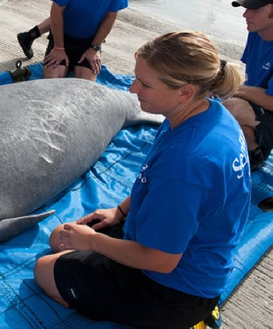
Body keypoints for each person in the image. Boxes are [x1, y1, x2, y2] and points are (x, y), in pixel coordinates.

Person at [34, 31, 251, 327]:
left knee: (44, 271)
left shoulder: (186, 163)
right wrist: (120, 211)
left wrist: (95, 242)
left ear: (185, 91)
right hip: (182, 248)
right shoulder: (206, 112)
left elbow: (161, 260)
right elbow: (153, 182)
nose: (133, 88)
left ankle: (177, 320)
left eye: (145, 84)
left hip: (172, 287)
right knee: (60, 235)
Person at [223, 0, 273, 172]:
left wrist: (234, 89)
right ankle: (253, 144)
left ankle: (255, 155)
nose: (246, 14)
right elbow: (251, 78)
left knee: (232, 106)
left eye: (256, 9)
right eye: (246, 8)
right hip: (263, 107)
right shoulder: (256, 30)